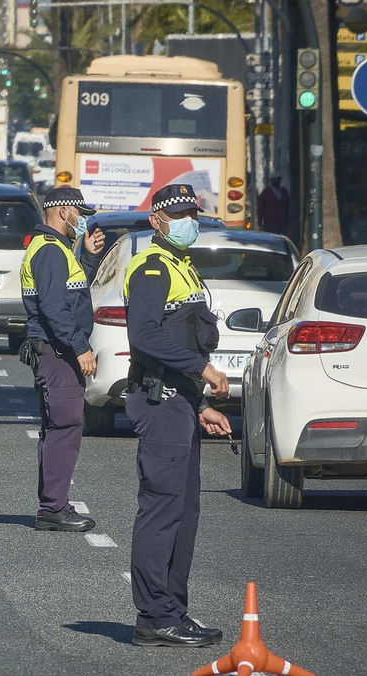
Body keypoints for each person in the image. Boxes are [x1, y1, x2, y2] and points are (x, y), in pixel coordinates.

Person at [123, 183, 233, 648]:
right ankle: (153, 616)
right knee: (162, 510)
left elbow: (180, 338)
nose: (191, 219)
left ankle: (174, 610)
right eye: (181, 214)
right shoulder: (151, 269)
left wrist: (202, 404)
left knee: (185, 512)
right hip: (159, 400)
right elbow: (144, 337)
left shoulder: (182, 267)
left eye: (194, 212)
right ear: (157, 221)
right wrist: (201, 369)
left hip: (182, 403)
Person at [19, 186, 106, 532]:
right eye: (80, 214)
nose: (83, 221)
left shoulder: (56, 250)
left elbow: (72, 294)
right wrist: (80, 347)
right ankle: (53, 508)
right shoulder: (51, 251)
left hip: (54, 349)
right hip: (59, 352)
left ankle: (52, 505)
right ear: (62, 211)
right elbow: (56, 308)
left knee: (56, 428)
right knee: (64, 427)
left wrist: (87, 258)